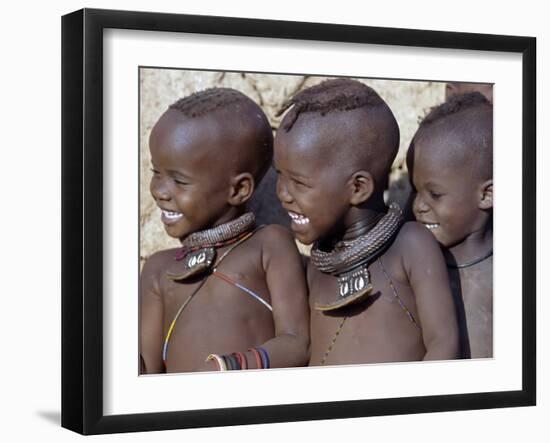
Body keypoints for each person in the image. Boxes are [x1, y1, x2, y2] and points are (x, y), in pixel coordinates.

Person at [273, 79, 459, 366]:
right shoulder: (320, 264)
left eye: (298, 182)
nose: (282, 194)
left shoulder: (410, 245)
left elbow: (443, 344)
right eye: (279, 176)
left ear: (358, 187)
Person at [140, 87, 310, 374]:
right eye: (156, 172)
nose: (159, 191)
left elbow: (297, 342)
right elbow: (146, 368)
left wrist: (232, 367)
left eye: (179, 181)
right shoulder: (158, 269)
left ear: (239, 189)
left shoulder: (268, 245)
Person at [407, 92, 493, 358]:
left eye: (434, 194)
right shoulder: (411, 264)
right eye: (415, 191)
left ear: (487, 195)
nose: (419, 206)